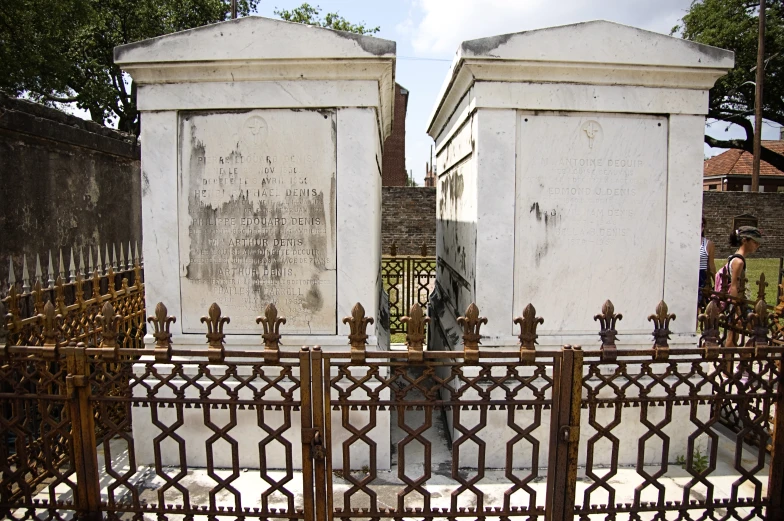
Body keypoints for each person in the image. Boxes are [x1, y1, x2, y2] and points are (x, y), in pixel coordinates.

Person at [698, 217, 716, 306]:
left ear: (703, 227)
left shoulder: (709, 244)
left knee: (700, 305)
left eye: (700, 225)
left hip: (702, 277)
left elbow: (711, 265)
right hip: (689, 275)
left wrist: (716, 282)